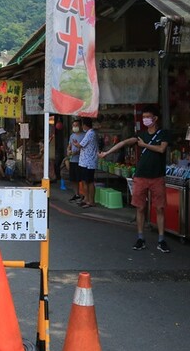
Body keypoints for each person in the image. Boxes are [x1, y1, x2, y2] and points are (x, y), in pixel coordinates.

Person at [99, 106, 171, 253]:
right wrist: (107, 152)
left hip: (157, 177)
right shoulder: (141, 134)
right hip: (141, 176)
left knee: (159, 208)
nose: (145, 119)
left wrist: (144, 145)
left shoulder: (163, 134)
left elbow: (161, 149)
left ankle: (161, 239)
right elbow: (124, 143)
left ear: (155, 118)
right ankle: (140, 238)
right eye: (144, 117)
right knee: (140, 208)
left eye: (148, 117)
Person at [77, 118, 98, 208]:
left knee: (89, 182)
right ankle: (86, 199)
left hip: (88, 162)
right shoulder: (89, 133)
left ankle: (91, 201)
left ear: (84, 125)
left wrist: (75, 143)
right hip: (86, 161)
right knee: (86, 181)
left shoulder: (90, 133)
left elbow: (80, 145)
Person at [67, 120, 85, 203]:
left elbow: (84, 147)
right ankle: (77, 194)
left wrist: (76, 152)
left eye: (76, 125)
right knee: (73, 179)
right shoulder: (72, 136)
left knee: (82, 178)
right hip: (72, 160)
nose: (75, 127)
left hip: (81, 160)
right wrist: (68, 151)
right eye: (73, 125)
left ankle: (84, 195)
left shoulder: (84, 135)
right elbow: (69, 146)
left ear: (81, 126)